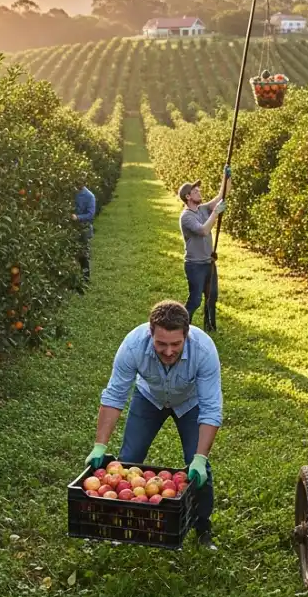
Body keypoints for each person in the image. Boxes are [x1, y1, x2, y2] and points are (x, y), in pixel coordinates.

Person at [85, 300, 222, 550]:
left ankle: (203, 528)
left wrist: (200, 457)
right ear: (151, 334)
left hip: (189, 403)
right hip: (149, 398)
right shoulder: (134, 345)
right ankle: (122, 523)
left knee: (199, 470)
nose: (168, 351)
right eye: (161, 344)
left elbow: (211, 408)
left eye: (175, 344)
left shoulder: (204, 350)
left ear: (187, 335)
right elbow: (115, 395)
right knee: (127, 461)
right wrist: (99, 445)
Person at [178, 172, 228, 331]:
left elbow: (222, 195)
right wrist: (215, 213)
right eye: (195, 191)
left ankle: (210, 327)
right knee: (195, 300)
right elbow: (203, 231)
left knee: (212, 297)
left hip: (209, 262)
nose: (199, 192)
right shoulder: (186, 217)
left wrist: (226, 177)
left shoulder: (203, 209)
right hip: (195, 265)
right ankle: (182, 327)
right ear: (188, 197)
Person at [73, 180, 97, 289]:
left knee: (83, 254)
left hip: (83, 229)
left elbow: (91, 214)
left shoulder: (89, 196)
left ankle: (85, 279)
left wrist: (78, 217)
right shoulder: (72, 193)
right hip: (71, 229)